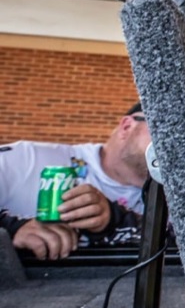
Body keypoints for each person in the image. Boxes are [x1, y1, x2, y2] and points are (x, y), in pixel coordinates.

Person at [0, 104, 151, 259]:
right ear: (127, 127)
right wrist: (12, 229)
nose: (166, 142)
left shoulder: (166, 199)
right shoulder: (25, 158)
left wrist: (114, 220)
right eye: (160, 129)